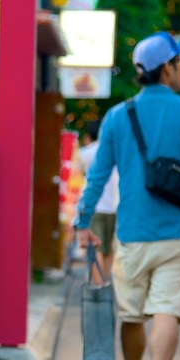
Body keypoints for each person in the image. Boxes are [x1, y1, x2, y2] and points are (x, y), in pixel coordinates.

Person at [76, 31, 180, 360]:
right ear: (166, 68)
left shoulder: (119, 116)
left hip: (133, 234)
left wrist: (83, 220)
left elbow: (98, 175)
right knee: (167, 309)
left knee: (132, 313)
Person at [77, 119, 119, 283]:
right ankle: (105, 280)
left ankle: (99, 284)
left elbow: (84, 177)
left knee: (96, 248)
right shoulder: (113, 150)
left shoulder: (84, 153)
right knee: (108, 249)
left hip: (95, 206)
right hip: (113, 205)